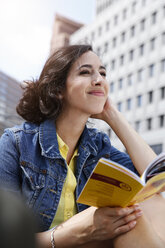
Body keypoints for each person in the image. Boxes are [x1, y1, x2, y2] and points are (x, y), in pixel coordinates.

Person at [0, 44, 165, 248]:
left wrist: (113, 116)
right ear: (58, 89)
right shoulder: (16, 143)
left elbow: (156, 179)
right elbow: (7, 238)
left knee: (149, 204)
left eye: (103, 73)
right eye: (85, 72)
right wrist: (74, 232)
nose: (99, 80)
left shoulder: (98, 147)